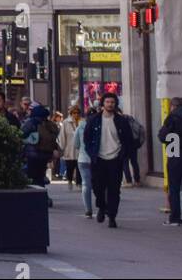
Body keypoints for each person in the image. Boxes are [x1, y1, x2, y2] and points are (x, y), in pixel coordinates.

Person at [83, 92, 135, 228]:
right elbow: (86, 138)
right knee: (98, 187)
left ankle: (112, 216)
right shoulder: (94, 120)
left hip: (116, 159)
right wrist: (91, 152)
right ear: (103, 104)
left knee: (114, 189)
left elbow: (128, 140)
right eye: (107, 102)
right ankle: (101, 207)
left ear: (115, 104)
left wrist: (123, 154)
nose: (110, 104)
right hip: (98, 159)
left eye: (112, 102)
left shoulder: (122, 121)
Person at [21, 104, 59, 195]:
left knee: (32, 176)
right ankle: (42, 195)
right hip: (45, 155)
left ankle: (35, 196)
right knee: (40, 175)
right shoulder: (49, 124)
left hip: (32, 154)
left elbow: (21, 134)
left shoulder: (31, 122)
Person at [59, 105, 83, 190]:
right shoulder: (66, 122)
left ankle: (79, 183)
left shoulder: (82, 122)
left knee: (80, 167)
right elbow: (62, 135)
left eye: (77, 113)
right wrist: (62, 147)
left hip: (80, 149)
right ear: (71, 113)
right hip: (69, 148)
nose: (75, 114)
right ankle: (69, 180)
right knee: (70, 167)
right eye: (74, 113)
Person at [123, 113, 146, 186]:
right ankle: (137, 181)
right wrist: (139, 143)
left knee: (125, 163)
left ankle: (128, 181)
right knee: (134, 163)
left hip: (125, 145)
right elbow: (141, 130)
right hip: (133, 145)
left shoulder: (121, 122)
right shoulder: (133, 121)